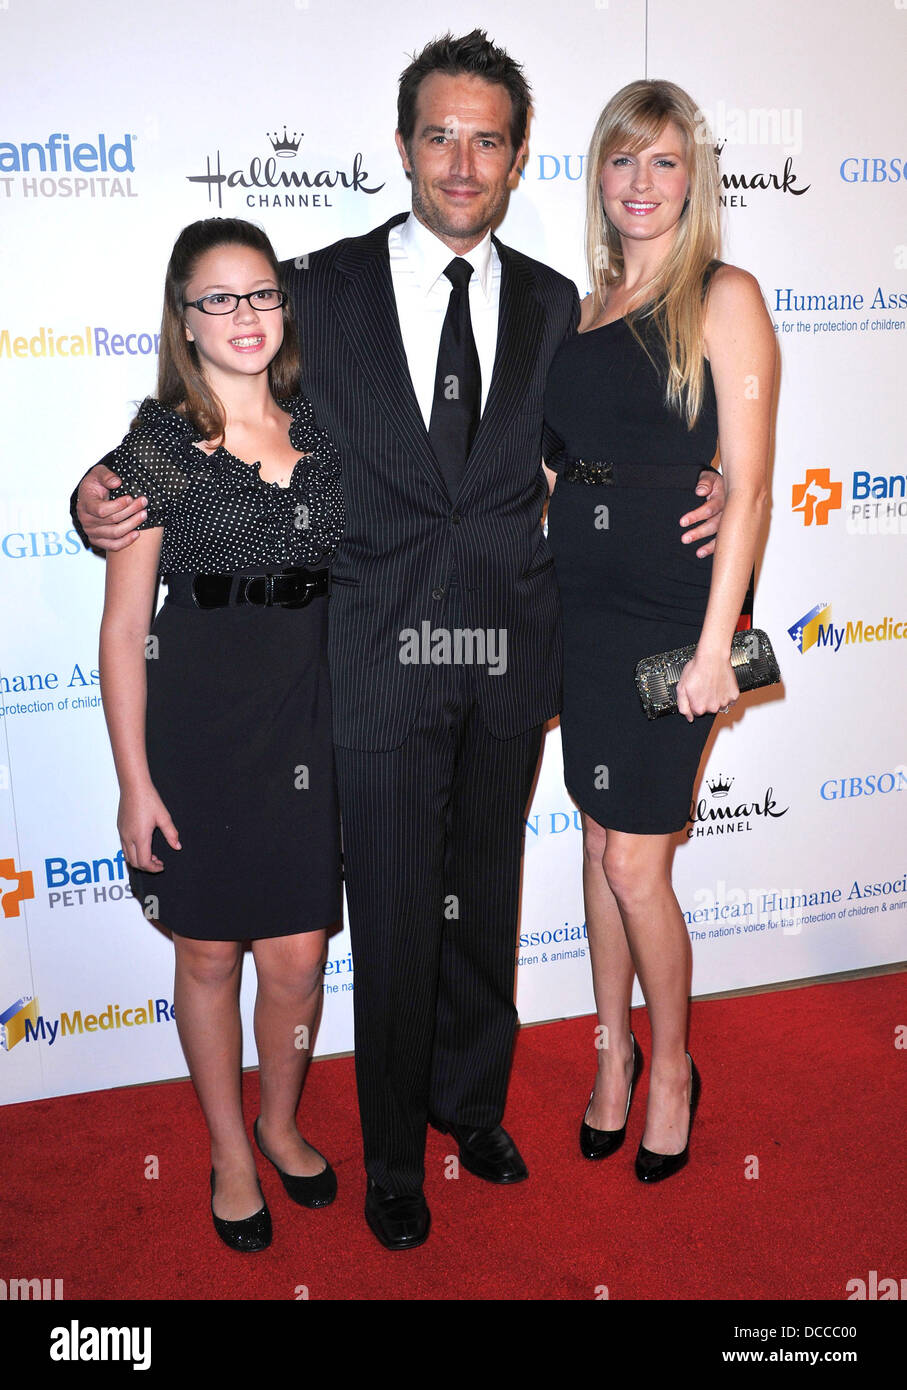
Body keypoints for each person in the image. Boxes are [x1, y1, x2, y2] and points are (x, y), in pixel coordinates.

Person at [75, 34, 725, 1250]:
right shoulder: (311, 290)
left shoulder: (553, 301)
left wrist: (717, 483)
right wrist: (93, 498)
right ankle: (388, 1161)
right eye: (440, 134)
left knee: (483, 894)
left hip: (505, 654)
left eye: (488, 138)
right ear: (402, 147)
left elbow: (627, 430)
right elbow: (215, 409)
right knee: (384, 913)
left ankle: (470, 1108)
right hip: (367, 663)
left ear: (520, 156)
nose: (462, 160)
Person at [97, 217, 345, 1250]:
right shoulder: (157, 447)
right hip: (198, 730)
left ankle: (280, 1124)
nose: (243, 315)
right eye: (218, 298)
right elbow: (120, 629)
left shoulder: (330, 426)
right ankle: (228, 1150)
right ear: (185, 319)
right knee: (208, 954)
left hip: (311, 725)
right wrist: (134, 782)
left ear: (282, 309)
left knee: (296, 956)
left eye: (260, 294)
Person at [543, 79, 774, 1181]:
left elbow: (756, 487)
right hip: (577, 606)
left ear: (695, 179)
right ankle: (610, 1057)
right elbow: (555, 460)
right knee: (596, 838)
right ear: (597, 174)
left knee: (637, 861)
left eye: (665, 162)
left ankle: (673, 1066)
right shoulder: (576, 309)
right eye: (623, 161)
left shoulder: (722, 295)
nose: (642, 183)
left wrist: (714, 642)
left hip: (672, 619)